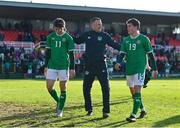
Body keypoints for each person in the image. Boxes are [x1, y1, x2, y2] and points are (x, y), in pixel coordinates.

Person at [73, 17, 120, 118]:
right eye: (98, 24)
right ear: (92, 25)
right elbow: (77, 41)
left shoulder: (104, 35)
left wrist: (126, 47)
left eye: (101, 24)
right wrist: (66, 33)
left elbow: (114, 45)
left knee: (106, 88)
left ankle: (106, 111)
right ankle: (89, 109)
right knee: (86, 88)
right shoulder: (87, 35)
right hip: (89, 66)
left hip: (101, 65)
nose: (100, 26)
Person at [115, 18, 158, 122]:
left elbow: (151, 55)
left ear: (135, 27)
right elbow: (122, 54)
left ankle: (133, 115)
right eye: (127, 26)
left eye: (129, 26)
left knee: (137, 89)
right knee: (133, 92)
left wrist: (154, 69)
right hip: (130, 68)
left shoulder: (144, 39)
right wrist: (118, 62)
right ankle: (142, 110)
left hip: (140, 68)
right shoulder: (126, 40)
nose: (128, 28)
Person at [44, 18, 75, 117]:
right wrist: (46, 66)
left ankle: (60, 110)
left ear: (63, 27)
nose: (57, 30)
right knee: (49, 87)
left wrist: (72, 68)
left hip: (64, 67)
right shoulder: (50, 37)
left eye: (59, 28)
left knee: (63, 87)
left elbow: (71, 54)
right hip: (52, 66)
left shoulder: (68, 38)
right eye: (56, 28)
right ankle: (59, 101)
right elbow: (48, 53)